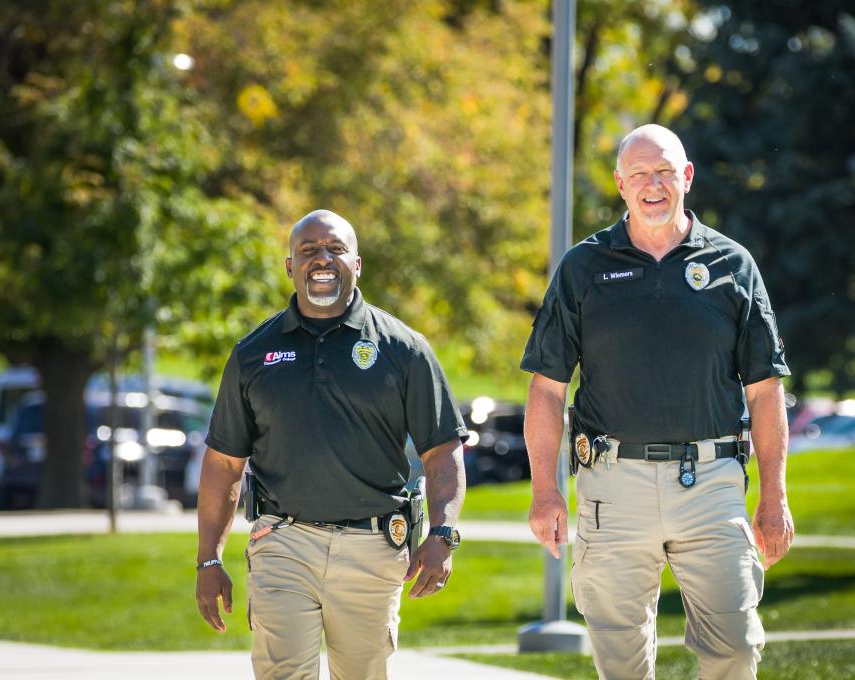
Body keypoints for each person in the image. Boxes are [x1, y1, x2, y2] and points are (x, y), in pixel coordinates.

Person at [522, 124, 794, 680]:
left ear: (687, 177)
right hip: (612, 485)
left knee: (736, 648)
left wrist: (775, 495)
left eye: (665, 171)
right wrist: (546, 491)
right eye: (640, 174)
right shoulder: (582, 267)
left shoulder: (732, 264)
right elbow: (548, 389)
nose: (653, 185)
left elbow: (765, 390)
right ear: (620, 183)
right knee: (621, 665)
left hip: (713, 485)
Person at [195, 209, 468, 680]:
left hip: (373, 547)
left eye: (336, 249)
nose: (322, 258)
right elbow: (223, 464)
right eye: (309, 250)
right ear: (290, 266)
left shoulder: (403, 348)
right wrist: (208, 558)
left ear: (356, 264)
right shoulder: (253, 353)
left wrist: (443, 534)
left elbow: (442, 451)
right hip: (282, 542)